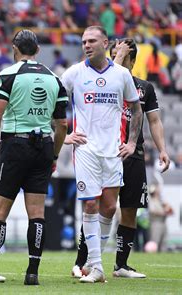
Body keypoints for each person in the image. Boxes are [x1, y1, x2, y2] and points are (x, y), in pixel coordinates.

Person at [0, 29, 68, 286]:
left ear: (14, 49)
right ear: (38, 50)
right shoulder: (55, 78)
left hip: (15, 144)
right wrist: (54, 154)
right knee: (36, 212)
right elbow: (62, 125)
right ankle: (32, 273)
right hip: (44, 145)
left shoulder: (7, 74)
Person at [72, 38, 171, 279]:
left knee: (130, 210)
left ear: (133, 61)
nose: (116, 61)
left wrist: (162, 149)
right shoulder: (102, 82)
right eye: (115, 55)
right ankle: (82, 262)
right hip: (105, 152)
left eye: (123, 57)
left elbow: (154, 121)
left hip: (133, 155)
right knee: (95, 206)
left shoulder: (144, 88)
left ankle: (121, 265)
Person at [61, 26, 143, 283]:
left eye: (92, 41)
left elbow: (136, 110)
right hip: (85, 149)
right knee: (91, 204)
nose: (86, 45)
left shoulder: (121, 74)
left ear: (105, 43)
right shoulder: (74, 73)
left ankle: (91, 261)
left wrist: (131, 143)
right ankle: (96, 267)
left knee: (109, 207)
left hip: (113, 151)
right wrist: (63, 137)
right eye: (84, 41)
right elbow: (54, 103)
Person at [148, 183, 173, 252]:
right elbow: (152, 211)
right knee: (155, 241)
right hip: (156, 223)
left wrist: (167, 207)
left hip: (163, 222)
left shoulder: (161, 201)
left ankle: (162, 255)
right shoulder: (151, 200)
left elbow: (171, 211)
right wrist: (164, 212)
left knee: (164, 241)